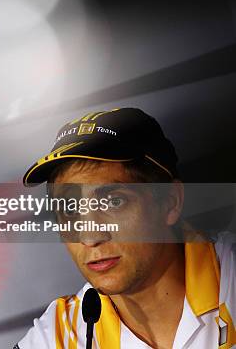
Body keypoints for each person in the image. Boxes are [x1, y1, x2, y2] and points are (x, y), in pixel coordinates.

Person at [14, 108, 236, 349]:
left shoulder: (231, 276)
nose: (90, 237)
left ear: (170, 202)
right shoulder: (59, 335)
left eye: (114, 201)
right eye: (70, 209)